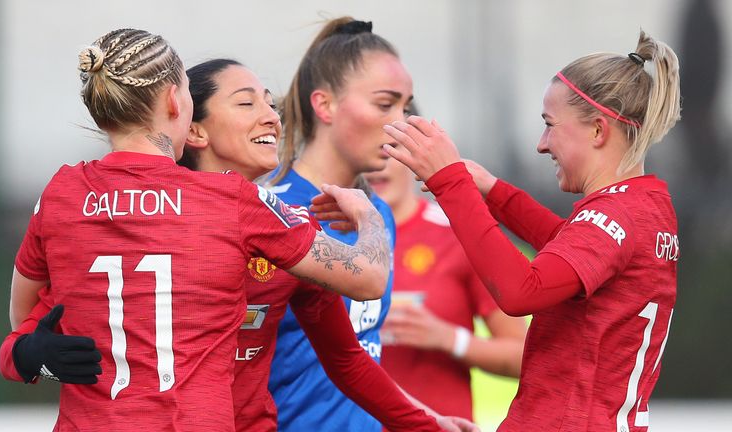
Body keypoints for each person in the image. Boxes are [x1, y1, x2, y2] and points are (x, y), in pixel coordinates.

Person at [0, 57, 464, 431]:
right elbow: (31, 333)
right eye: (247, 104)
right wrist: (29, 357)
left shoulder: (291, 228)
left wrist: (426, 424)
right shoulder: (126, 224)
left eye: (271, 103)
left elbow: (346, 359)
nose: (271, 116)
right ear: (191, 126)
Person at [380, 30, 681, 431]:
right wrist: (493, 191)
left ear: (597, 131)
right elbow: (570, 243)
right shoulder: (644, 205)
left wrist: (449, 183)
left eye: (549, 124)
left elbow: (523, 291)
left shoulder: (614, 216)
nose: (541, 144)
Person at [264, 17, 415, 432]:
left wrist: (430, 419)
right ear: (324, 105)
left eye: (406, 106)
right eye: (386, 105)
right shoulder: (269, 211)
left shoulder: (377, 214)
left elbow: (361, 356)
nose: (401, 123)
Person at [365, 138, 526, 421]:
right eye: (366, 147)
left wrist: (449, 338)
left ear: (413, 156)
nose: (378, 164)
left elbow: (524, 358)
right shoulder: (323, 239)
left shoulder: (457, 233)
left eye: (389, 149)